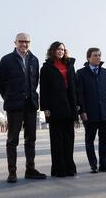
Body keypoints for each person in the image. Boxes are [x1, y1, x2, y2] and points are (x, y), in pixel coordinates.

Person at [0, 33, 47, 183]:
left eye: (27, 42)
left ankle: (30, 169)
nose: (24, 44)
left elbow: (35, 81)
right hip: (14, 105)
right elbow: (1, 83)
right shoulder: (7, 60)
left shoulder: (34, 60)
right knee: (12, 139)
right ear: (15, 42)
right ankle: (12, 172)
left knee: (30, 139)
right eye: (21, 41)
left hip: (31, 105)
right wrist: (8, 97)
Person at [40, 42, 78, 177]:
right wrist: (45, 108)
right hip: (55, 108)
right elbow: (43, 89)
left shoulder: (70, 65)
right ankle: (59, 169)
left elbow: (75, 86)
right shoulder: (46, 68)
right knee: (57, 140)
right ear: (52, 51)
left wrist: (77, 105)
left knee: (69, 139)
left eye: (62, 49)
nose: (60, 51)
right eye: (58, 49)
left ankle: (69, 168)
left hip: (69, 107)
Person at [77, 48, 106, 173]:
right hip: (89, 113)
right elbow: (80, 94)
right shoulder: (81, 73)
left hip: (105, 112)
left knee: (104, 140)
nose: (98, 57)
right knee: (90, 140)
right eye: (95, 55)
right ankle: (93, 165)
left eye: (99, 55)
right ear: (88, 57)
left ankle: (103, 164)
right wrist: (82, 111)